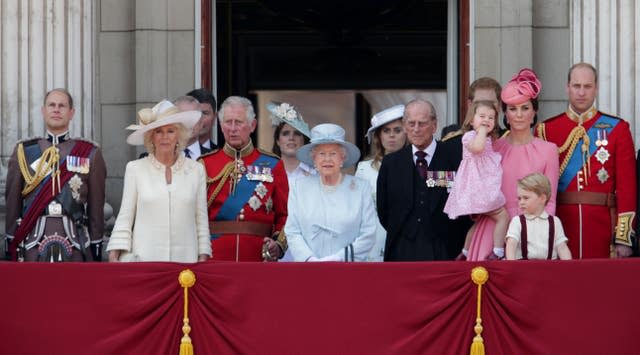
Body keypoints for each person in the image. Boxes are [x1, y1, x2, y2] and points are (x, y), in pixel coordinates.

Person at [535, 62, 637, 258]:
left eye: (587, 86)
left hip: (604, 228)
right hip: (561, 227)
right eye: (576, 86)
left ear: (596, 88)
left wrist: (623, 237)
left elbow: (627, 188)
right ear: (567, 87)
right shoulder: (546, 130)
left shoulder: (617, 129)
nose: (581, 92)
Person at [467, 68, 559, 261]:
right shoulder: (492, 148)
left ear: (534, 113)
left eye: (525, 108)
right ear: (505, 114)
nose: (519, 115)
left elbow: (549, 202)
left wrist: (539, 235)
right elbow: (476, 187)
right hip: (492, 230)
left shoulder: (549, 150)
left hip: (532, 233)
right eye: (513, 108)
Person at [4, 88, 106, 262]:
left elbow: (97, 206)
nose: (56, 109)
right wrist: (11, 240)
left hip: (74, 240)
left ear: (71, 113)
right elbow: (13, 201)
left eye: (62, 106)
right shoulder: (24, 151)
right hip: (32, 241)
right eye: (52, 105)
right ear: (44, 111)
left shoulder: (89, 152)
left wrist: (95, 243)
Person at [106, 100, 211, 262]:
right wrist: (115, 251)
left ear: (179, 136)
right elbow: (125, 216)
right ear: (151, 137)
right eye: (158, 132)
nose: (164, 137)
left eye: (170, 131)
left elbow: (201, 219)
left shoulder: (196, 170)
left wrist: (203, 255)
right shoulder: (135, 169)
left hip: (186, 263)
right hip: (145, 261)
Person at [199, 96, 288, 261]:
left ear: (252, 125)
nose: (233, 128)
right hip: (215, 256)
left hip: (258, 256)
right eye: (228, 122)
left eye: (238, 122)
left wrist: (278, 244)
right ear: (221, 126)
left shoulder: (274, 164)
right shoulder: (204, 164)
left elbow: (285, 215)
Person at [377, 99, 460, 261]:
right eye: (411, 123)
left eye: (422, 124)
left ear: (434, 126)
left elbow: (464, 205)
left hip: (445, 252)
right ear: (405, 126)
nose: (416, 129)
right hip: (401, 252)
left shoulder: (454, 157)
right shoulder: (391, 163)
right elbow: (384, 211)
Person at [285, 123, 376, 261]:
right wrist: (309, 260)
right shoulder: (299, 188)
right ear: (314, 159)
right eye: (321, 154)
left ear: (342, 158)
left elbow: (368, 234)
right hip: (309, 270)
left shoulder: (361, 188)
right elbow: (292, 232)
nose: (327, 159)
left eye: (333, 153)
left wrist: (338, 258)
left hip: (348, 269)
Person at [444, 100, 509, 260]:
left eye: (491, 118)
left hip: (480, 190)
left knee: (480, 221)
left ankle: (466, 251)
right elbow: (477, 148)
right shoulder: (470, 136)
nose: (486, 120)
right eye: (482, 116)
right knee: (503, 217)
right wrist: (481, 131)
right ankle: (498, 251)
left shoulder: (486, 139)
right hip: (478, 190)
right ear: (471, 120)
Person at [355, 104, 407, 261]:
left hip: (406, 240)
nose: (392, 135)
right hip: (372, 241)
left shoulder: (417, 165)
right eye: (386, 131)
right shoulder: (364, 169)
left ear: (406, 134)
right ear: (379, 136)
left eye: (397, 130)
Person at [506, 173, 572, 260]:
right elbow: (511, 244)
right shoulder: (517, 221)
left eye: (526, 198)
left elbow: (562, 247)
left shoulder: (555, 222)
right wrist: (511, 266)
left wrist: (569, 268)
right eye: (519, 198)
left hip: (549, 269)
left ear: (542, 198)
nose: (521, 202)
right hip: (523, 268)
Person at [268, 101, 314, 179]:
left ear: (304, 140)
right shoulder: (266, 174)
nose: (291, 138)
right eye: (285, 133)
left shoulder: (315, 174)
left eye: (297, 133)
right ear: (278, 141)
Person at [187, 88, 218, 153]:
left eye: (205, 113)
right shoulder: (172, 154)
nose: (199, 119)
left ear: (214, 118)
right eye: (195, 113)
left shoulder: (221, 156)